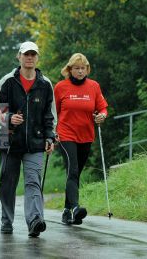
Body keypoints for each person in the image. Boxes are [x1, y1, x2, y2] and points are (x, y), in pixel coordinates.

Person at [0, 41, 56, 237]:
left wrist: (50, 137)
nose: (29, 58)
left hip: (35, 143)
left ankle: (35, 220)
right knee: (8, 183)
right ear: (19, 56)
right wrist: (10, 118)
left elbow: (49, 115)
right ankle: (6, 221)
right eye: (26, 54)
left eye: (33, 54)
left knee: (33, 182)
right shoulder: (7, 81)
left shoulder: (45, 84)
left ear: (37, 58)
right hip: (10, 141)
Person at [54, 53, 108, 225]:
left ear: (87, 69)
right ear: (70, 70)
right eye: (76, 68)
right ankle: (76, 208)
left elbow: (103, 108)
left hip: (85, 135)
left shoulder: (94, 86)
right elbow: (53, 112)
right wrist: (51, 132)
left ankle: (66, 211)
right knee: (73, 170)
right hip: (65, 134)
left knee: (75, 174)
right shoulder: (61, 87)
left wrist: (101, 116)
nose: (79, 71)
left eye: (82, 68)